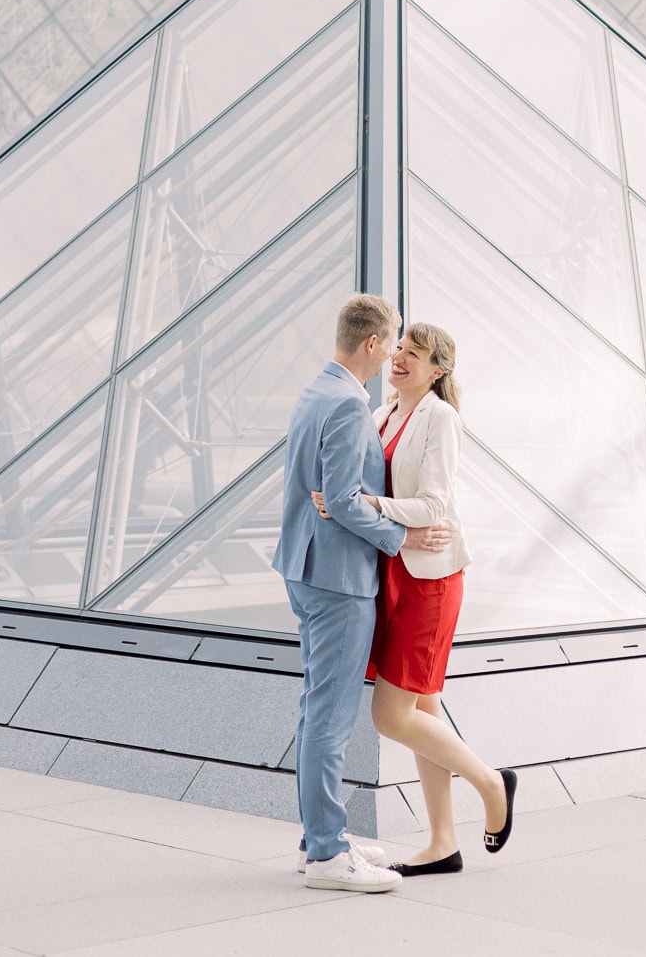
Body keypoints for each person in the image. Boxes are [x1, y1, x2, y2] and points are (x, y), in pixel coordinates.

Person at [313, 322, 517, 875]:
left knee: (390, 715)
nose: (400, 357)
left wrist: (368, 505)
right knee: (425, 710)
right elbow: (360, 489)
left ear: (437, 370)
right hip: (392, 573)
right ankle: (443, 842)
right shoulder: (381, 414)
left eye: (415, 353)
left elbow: (433, 507)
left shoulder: (441, 418)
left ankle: (492, 784)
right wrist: (340, 501)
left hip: (428, 582)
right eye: (399, 347)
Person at [274, 293, 451, 894]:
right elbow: (344, 500)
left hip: (304, 567)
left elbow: (323, 492)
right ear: (373, 343)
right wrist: (403, 536)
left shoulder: (316, 391)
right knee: (328, 719)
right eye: (393, 342)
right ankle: (327, 855)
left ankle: (318, 839)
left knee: (314, 707)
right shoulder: (351, 406)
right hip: (339, 579)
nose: (394, 355)